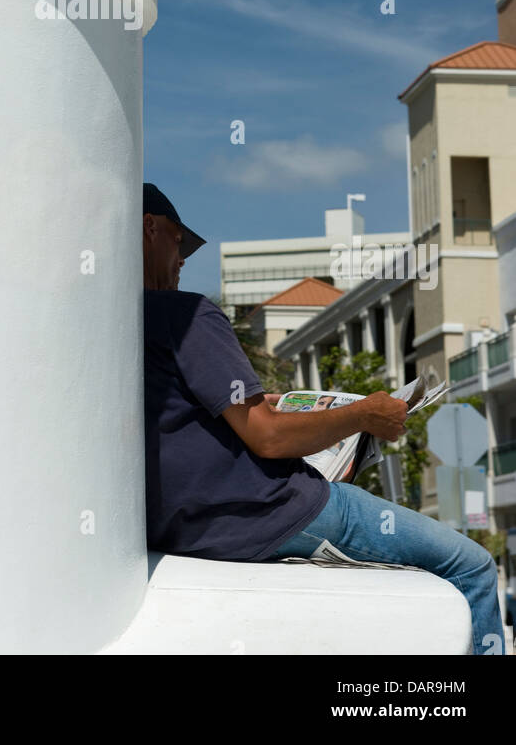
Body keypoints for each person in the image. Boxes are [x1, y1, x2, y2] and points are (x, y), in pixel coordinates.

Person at [142, 182, 505, 656]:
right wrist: (365, 414)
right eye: (179, 239)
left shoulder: (111, 324)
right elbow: (269, 438)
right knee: (473, 566)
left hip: (184, 526)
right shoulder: (183, 314)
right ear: (150, 228)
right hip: (268, 511)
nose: (184, 256)